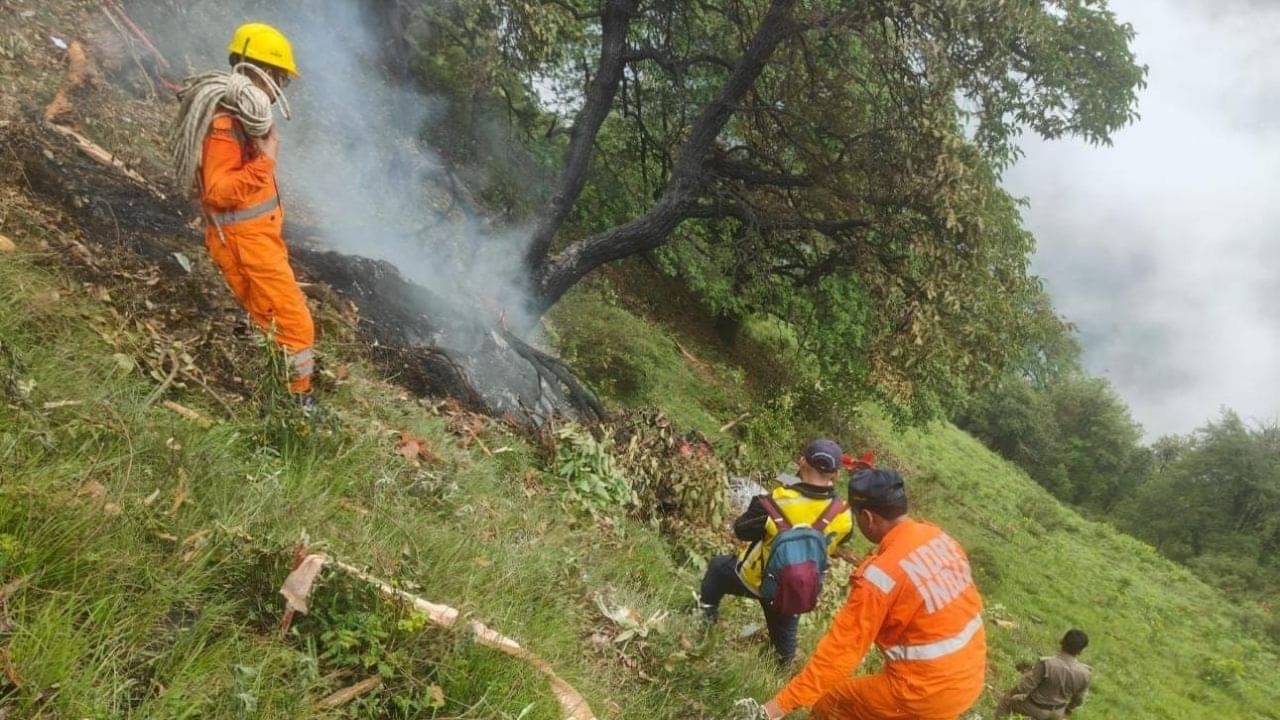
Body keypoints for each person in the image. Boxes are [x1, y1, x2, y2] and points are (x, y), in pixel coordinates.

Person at [760, 468, 987, 719]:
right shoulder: (940, 539)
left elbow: (839, 653)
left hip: (925, 693)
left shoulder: (880, 579)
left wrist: (778, 706)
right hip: (970, 679)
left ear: (867, 517)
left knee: (832, 702)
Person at [199, 23, 315, 407]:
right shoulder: (225, 125)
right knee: (297, 326)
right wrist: (265, 161)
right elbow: (218, 192)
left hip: (258, 239)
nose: (280, 86)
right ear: (258, 71)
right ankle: (296, 405)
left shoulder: (244, 121)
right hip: (245, 243)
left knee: (270, 319)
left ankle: (271, 388)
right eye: (279, 76)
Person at [700, 439, 855, 666]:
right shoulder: (843, 515)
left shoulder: (775, 500)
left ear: (801, 461)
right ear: (837, 475)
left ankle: (705, 619)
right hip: (793, 592)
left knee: (716, 569)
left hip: (752, 579)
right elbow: (839, 542)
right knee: (784, 652)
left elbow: (741, 530)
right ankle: (782, 668)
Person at [994, 629, 1092, 719]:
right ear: (1081, 651)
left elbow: (1024, 687)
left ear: (1062, 642)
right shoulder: (1085, 673)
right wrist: (1068, 710)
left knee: (1006, 701)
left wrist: (1010, 694)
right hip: (1058, 712)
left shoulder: (1047, 664)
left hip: (1034, 707)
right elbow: (1079, 700)